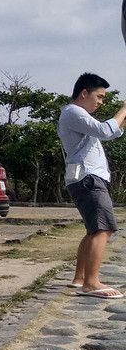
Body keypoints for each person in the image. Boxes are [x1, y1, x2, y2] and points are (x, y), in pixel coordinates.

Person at [58, 72, 126, 298]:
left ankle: (80, 279)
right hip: (89, 178)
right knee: (103, 229)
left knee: (93, 231)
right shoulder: (74, 112)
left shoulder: (75, 115)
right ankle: (91, 283)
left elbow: (112, 132)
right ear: (84, 93)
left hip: (87, 177)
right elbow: (106, 131)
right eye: (99, 96)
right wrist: (124, 109)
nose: (100, 102)